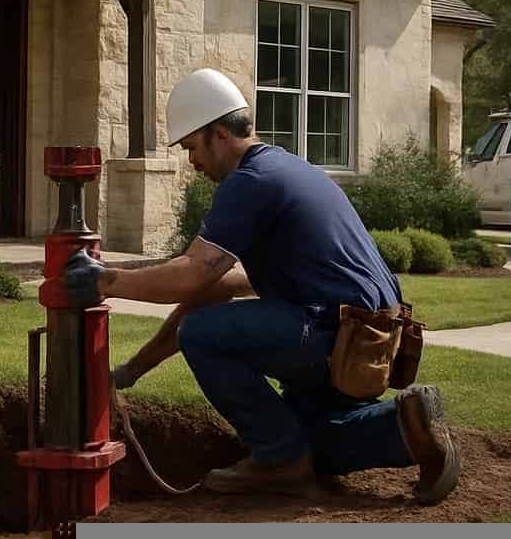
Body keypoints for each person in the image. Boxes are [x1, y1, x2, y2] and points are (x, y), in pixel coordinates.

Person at [63, 68, 460, 503]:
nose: (192, 163)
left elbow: (193, 273)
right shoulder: (288, 167)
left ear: (218, 134)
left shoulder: (250, 182)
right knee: (317, 440)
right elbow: (214, 286)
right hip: (370, 338)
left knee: (207, 340)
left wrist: (107, 280)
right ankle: (410, 428)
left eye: (193, 148)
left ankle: (277, 459)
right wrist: (134, 369)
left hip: (332, 332)